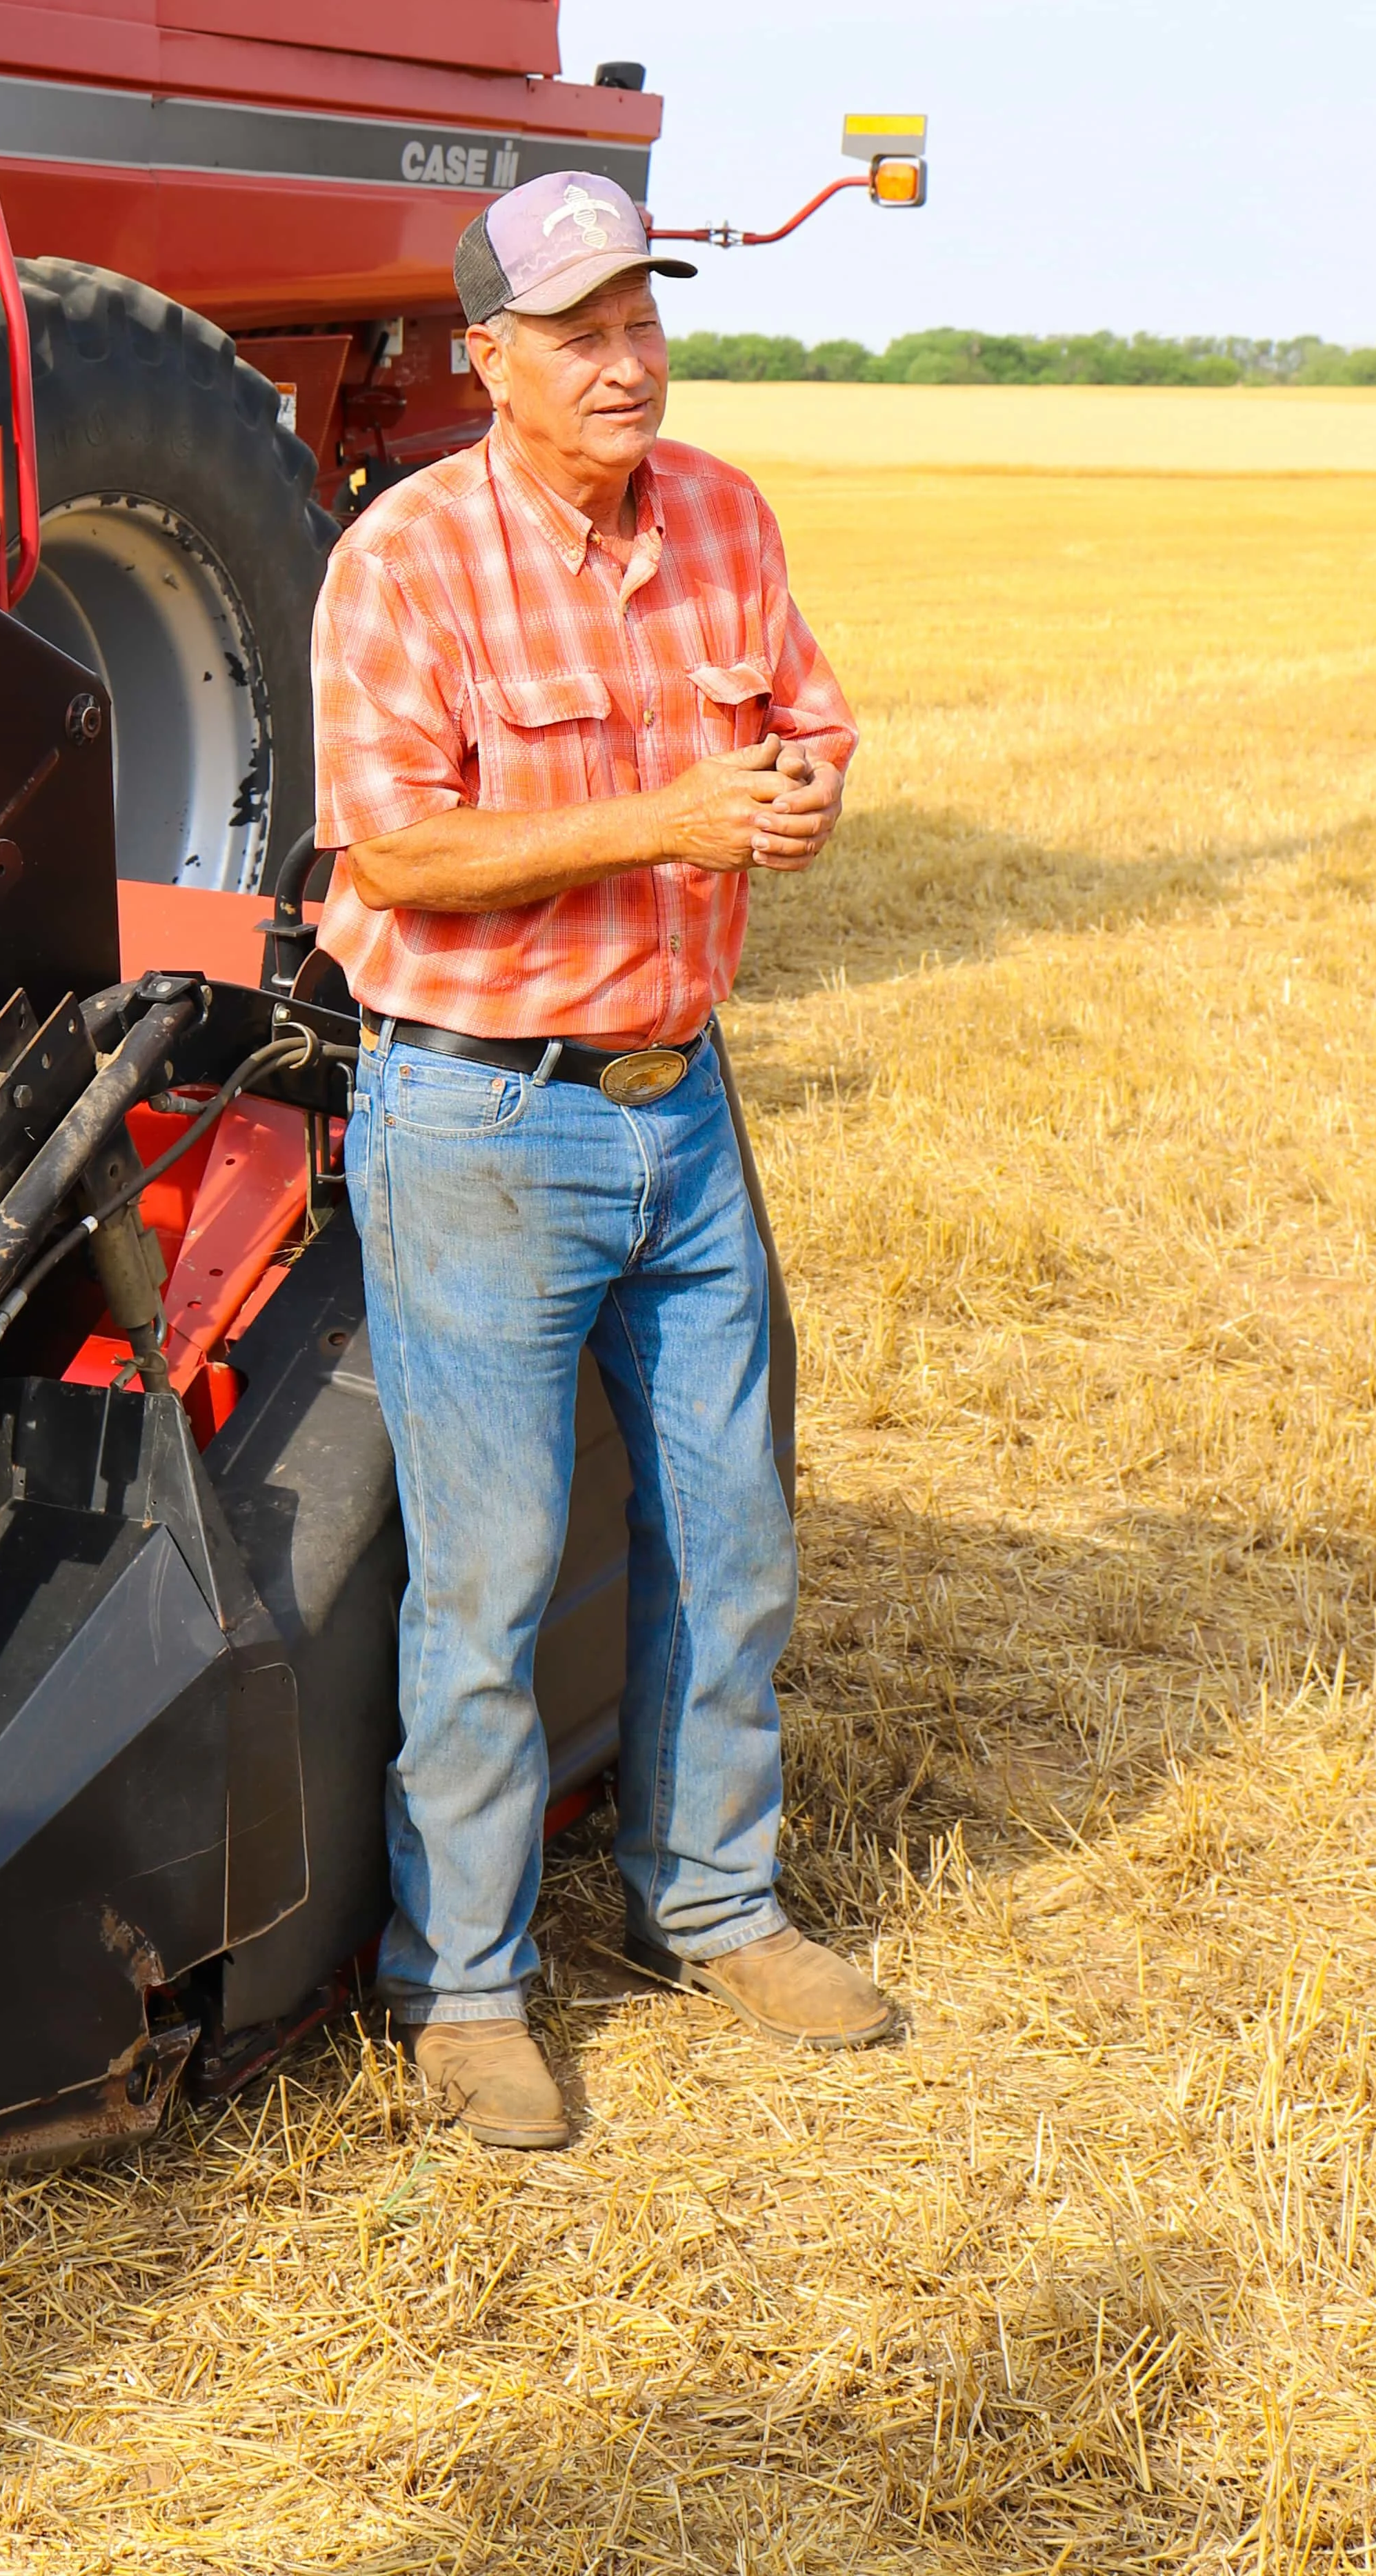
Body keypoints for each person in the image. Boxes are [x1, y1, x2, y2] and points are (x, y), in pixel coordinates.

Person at [310, 167, 897, 2149]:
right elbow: (396, 851)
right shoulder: (405, 563)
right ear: (486, 362)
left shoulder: (726, 514)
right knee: (485, 1582)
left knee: (731, 1539)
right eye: (580, 334)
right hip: (482, 1115)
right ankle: (464, 1987)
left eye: (641, 321)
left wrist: (802, 796)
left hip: (684, 1101)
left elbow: (805, 726)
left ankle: (712, 1905)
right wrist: (668, 818)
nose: (629, 361)